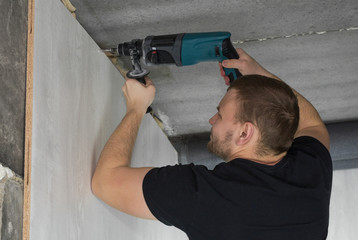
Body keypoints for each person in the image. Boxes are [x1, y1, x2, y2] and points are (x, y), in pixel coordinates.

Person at [91, 49, 332, 240]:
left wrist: (136, 107)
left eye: (220, 114)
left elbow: (105, 183)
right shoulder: (311, 170)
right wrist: (259, 77)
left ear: (245, 133)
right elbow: (311, 126)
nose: (212, 120)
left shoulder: (206, 197)